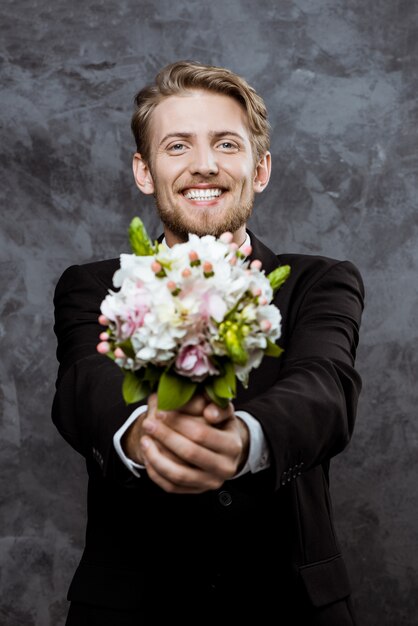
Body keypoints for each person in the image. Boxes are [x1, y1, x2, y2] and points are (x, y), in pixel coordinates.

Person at [52, 60, 364, 625]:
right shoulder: (91, 286)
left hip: (291, 607)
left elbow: (325, 386)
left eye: (226, 143)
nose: (204, 165)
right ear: (144, 171)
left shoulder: (321, 281)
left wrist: (246, 440)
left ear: (260, 168)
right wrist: (146, 435)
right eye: (177, 147)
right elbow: (85, 385)